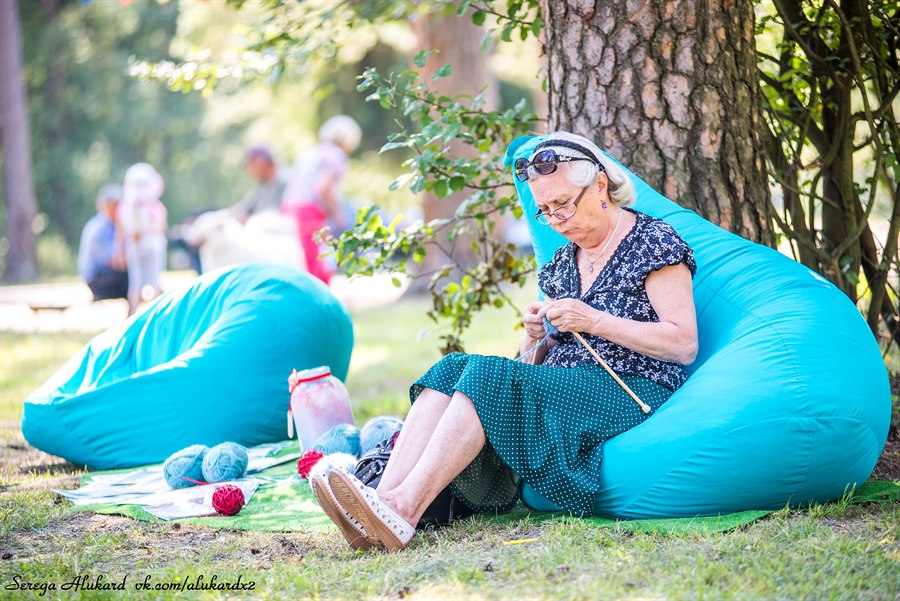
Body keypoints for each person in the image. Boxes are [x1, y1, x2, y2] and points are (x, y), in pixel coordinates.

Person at [313, 131, 699, 552]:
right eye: (546, 212)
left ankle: (403, 511)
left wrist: (594, 320)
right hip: (565, 388)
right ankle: (380, 502)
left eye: (564, 204)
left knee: (485, 373)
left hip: (631, 388)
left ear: (600, 185)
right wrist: (536, 337)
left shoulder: (652, 242)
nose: (558, 220)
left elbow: (683, 344)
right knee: (450, 368)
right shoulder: (561, 264)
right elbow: (531, 368)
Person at [281, 115, 362, 284]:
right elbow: (323, 187)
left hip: (289, 207)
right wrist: (337, 212)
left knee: (299, 257)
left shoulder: (312, 153)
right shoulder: (336, 155)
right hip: (309, 210)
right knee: (317, 258)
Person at [117, 162, 168, 316]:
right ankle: (149, 315)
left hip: (142, 246)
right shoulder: (151, 206)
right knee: (143, 283)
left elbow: (121, 230)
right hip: (140, 247)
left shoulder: (131, 206)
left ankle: (143, 314)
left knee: (146, 282)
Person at [77, 184, 129, 301]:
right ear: (107, 206)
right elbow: (114, 262)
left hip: (109, 275)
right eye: (117, 205)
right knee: (132, 279)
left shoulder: (115, 226)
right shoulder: (98, 229)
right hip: (97, 280)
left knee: (135, 277)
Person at [230, 146, 286, 219]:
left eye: (250, 163)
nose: (248, 169)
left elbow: (275, 215)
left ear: (260, 162)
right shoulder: (262, 184)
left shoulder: (284, 180)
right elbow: (243, 207)